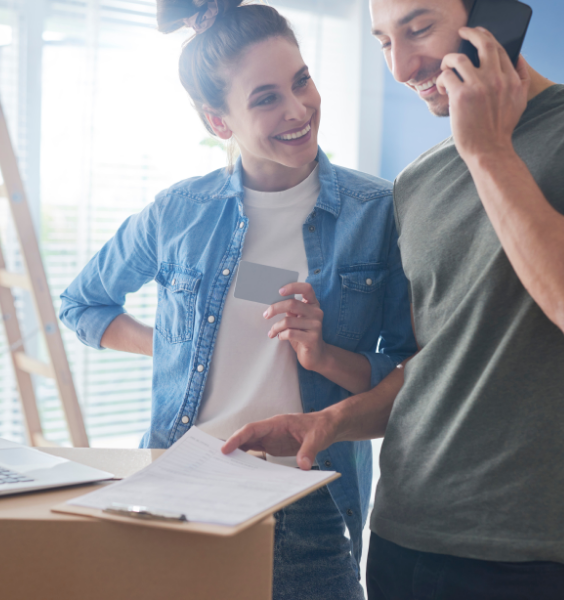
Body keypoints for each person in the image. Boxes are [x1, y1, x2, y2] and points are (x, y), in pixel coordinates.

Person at [221, 0, 564, 598]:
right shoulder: (417, 182)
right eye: (384, 42)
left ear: (492, 18)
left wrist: (489, 150)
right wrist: (329, 422)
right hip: (398, 536)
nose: (402, 66)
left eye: (419, 29)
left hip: (525, 553)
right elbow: (437, 365)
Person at [58, 1, 416, 598]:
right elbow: (83, 304)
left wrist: (322, 354)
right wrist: (173, 344)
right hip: (178, 489)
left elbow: (407, 372)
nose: (299, 109)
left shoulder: (378, 212)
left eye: (302, 81)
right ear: (218, 122)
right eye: (266, 97)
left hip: (308, 504)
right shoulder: (179, 213)